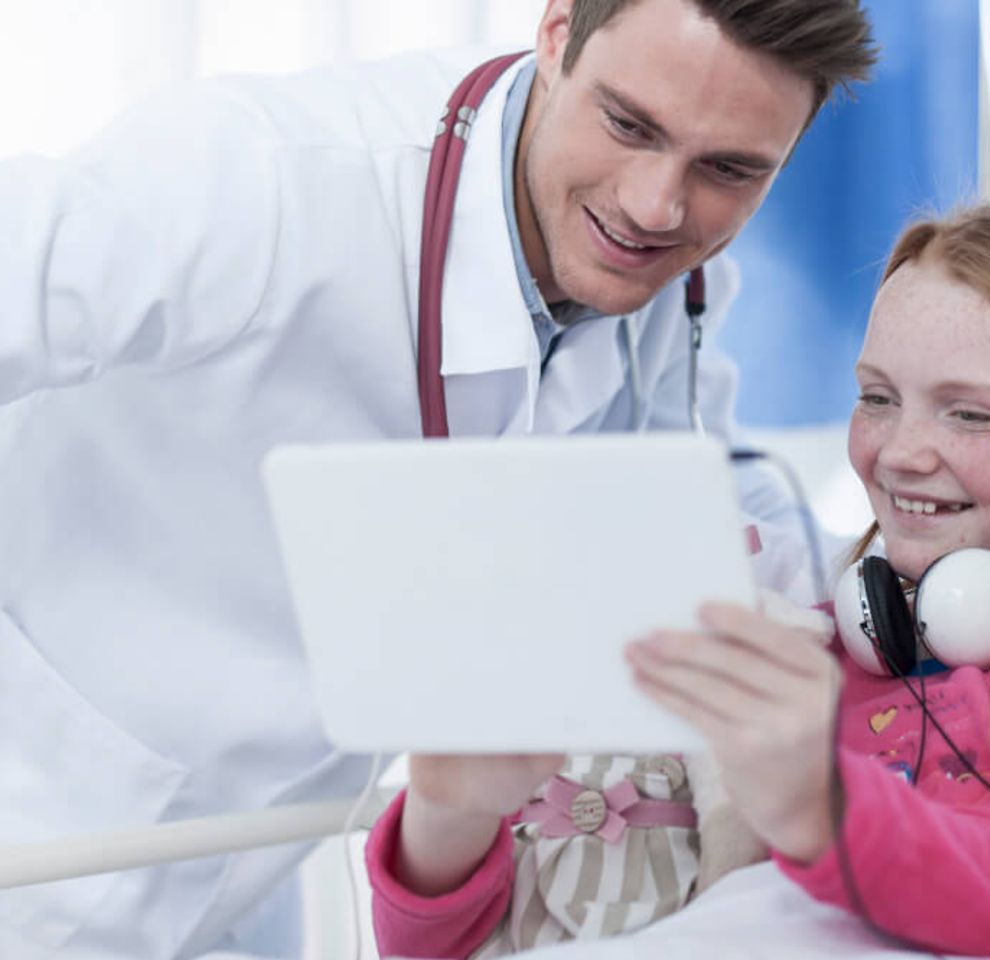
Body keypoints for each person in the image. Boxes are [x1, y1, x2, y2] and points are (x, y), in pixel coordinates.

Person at [0, 1, 877, 957]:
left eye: (730, 170)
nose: (656, 205)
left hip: (249, 865)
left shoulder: (676, 289)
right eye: (629, 125)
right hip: (41, 813)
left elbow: (692, 503)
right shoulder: (263, 176)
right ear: (555, 32)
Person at [369, 197, 990, 960]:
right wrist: (449, 820)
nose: (899, 453)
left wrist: (826, 810)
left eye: (969, 413)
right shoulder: (814, 657)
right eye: (877, 397)